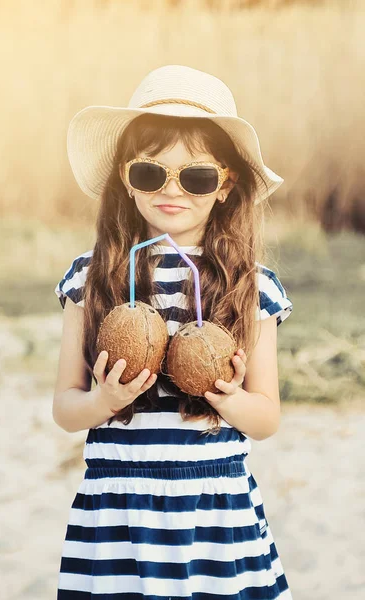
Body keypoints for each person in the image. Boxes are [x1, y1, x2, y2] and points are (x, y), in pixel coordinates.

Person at [53, 65, 294, 599]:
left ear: (226, 184)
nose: (172, 190)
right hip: (119, 505)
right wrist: (105, 399)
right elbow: (66, 410)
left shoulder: (251, 288)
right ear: (125, 177)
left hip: (213, 506)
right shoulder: (89, 277)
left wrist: (225, 395)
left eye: (197, 177)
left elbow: (267, 418)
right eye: (150, 173)